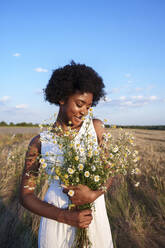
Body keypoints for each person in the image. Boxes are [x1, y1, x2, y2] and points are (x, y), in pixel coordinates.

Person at [20, 61, 114, 248]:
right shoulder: (39, 143)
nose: (84, 112)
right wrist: (65, 216)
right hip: (57, 224)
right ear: (62, 97)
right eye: (80, 104)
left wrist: (93, 194)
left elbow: (109, 172)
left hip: (94, 219)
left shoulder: (96, 128)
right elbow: (26, 196)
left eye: (88, 107)